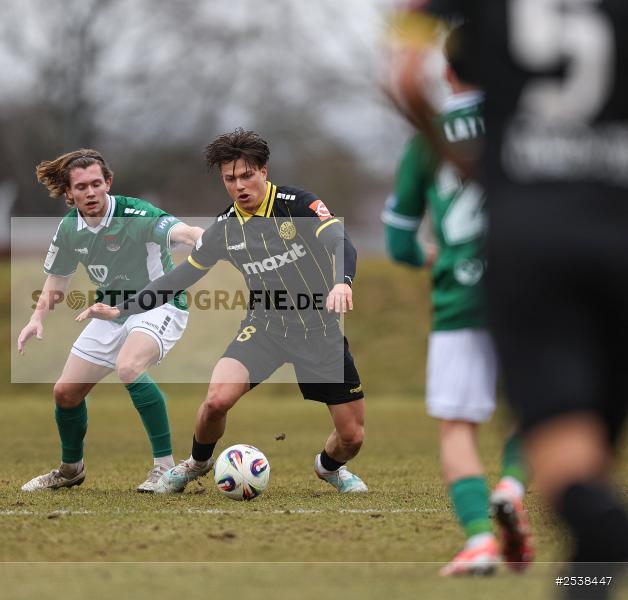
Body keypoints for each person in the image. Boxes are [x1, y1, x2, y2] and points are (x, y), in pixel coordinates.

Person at [394, 1, 628, 594]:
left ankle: (573, 525)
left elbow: (401, 74)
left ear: (452, 72)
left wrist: (462, 162)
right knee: (586, 443)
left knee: (554, 449)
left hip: (524, 245)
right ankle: (587, 551)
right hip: (614, 231)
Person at [78, 129, 368, 495]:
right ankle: (195, 464)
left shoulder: (299, 205)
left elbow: (339, 241)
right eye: (230, 179)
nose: (239, 185)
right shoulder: (225, 228)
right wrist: (121, 307)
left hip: (318, 331)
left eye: (247, 175)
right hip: (264, 329)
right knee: (215, 401)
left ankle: (328, 468)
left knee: (352, 436)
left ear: (264, 171)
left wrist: (343, 282)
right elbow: (179, 277)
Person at [384, 36, 532, 576]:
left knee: (458, 426)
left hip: (459, 297)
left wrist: (443, 260)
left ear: (447, 74)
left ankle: (478, 542)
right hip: (529, 289)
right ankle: (512, 489)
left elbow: (399, 244)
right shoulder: (524, 123)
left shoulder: (426, 141)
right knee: (532, 409)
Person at [17, 149, 204, 493]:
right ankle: (70, 469)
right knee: (65, 393)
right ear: (69, 193)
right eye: (82, 187)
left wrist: (198, 237)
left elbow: (180, 230)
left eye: (96, 184)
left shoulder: (135, 213)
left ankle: (165, 469)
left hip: (158, 305)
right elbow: (57, 281)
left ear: (108, 184)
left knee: (129, 367)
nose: (90, 192)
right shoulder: (69, 228)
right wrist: (36, 317)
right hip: (111, 311)